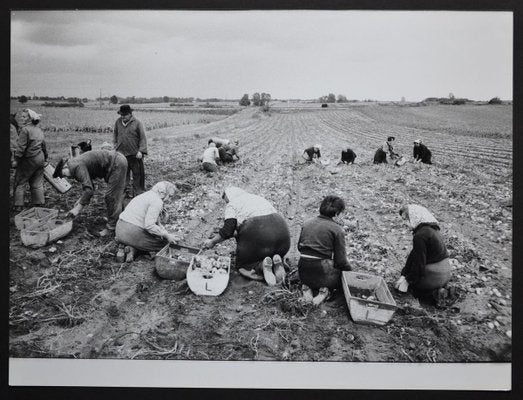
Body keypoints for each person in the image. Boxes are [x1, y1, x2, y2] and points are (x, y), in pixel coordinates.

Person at [202, 187, 291, 286]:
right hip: (282, 235)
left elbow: (228, 231)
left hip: (259, 233)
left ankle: (259, 266)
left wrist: (212, 242)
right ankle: (278, 260)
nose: (227, 203)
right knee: (268, 246)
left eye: (227, 201)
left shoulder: (232, 204)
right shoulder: (257, 198)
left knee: (242, 264)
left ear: (231, 198)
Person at [53, 149, 128, 236]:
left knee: (112, 197)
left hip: (116, 163)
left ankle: (111, 229)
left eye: (65, 174)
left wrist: (78, 208)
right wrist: (81, 200)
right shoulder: (74, 164)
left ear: (65, 166)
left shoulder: (76, 166)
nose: (68, 178)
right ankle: (122, 220)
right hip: (116, 161)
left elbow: (89, 190)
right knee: (115, 195)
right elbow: (90, 186)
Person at [297, 196, 352, 305]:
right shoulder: (337, 229)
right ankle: (325, 291)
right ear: (337, 213)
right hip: (322, 271)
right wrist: (349, 271)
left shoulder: (307, 223)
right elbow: (340, 261)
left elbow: (300, 247)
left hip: (303, 269)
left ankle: (307, 288)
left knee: (310, 269)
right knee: (340, 272)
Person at [394, 204, 452, 304]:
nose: (404, 223)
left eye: (406, 219)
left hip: (436, 274)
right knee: (410, 277)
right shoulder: (429, 229)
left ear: (414, 217)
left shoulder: (420, 236)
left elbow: (419, 264)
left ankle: (434, 293)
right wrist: (404, 275)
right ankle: (437, 288)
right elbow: (414, 255)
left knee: (414, 289)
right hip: (446, 273)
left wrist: (408, 281)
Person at [115, 181, 180, 262]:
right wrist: (167, 236)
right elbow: (149, 226)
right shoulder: (157, 201)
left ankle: (125, 246)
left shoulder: (146, 195)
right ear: (163, 193)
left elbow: (155, 222)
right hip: (132, 232)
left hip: (119, 228)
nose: (169, 199)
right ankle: (134, 248)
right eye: (169, 196)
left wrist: (164, 232)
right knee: (166, 245)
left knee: (157, 236)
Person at [11, 109, 48, 212]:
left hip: (29, 159)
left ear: (30, 119)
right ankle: (39, 203)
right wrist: (45, 157)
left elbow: (21, 148)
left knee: (20, 182)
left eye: (24, 117)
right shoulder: (39, 130)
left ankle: (18, 206)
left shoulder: (25, 130)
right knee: (37, 182)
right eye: (21, 116)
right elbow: (44, 146)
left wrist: (16, 160)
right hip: (40, 158)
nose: (21, 119)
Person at [113, 105, 147, 197]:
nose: (122, 117)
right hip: (122, 155)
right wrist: (115, 146)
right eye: (121, 115)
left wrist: (141, 151)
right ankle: (125, 192)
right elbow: (115, 135)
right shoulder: (118, 122)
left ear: (130, 114)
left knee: (137, 174)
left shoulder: (137, 123)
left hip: (135, 155)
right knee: (123, 175)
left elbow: (142, 138)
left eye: (124, 115)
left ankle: (138, 192)